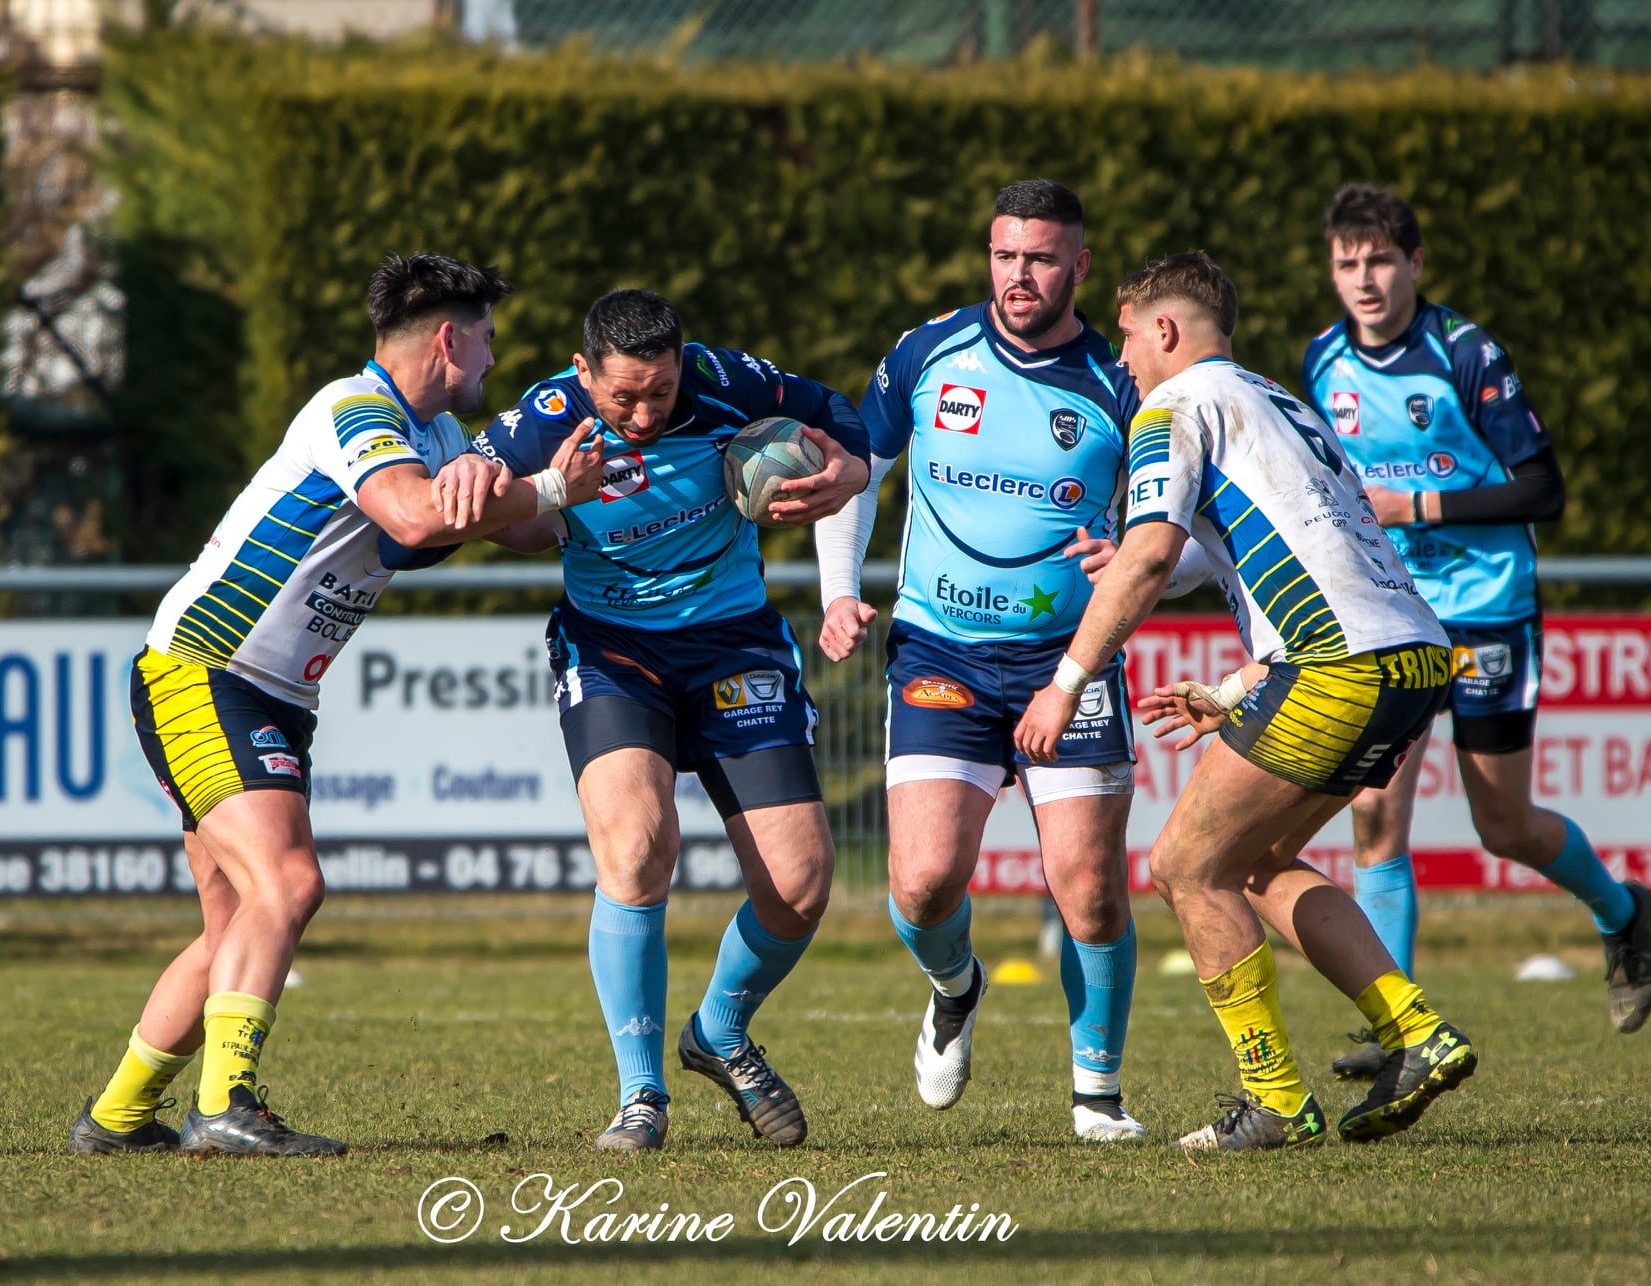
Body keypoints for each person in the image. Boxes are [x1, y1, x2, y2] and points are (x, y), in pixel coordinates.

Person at [67, 253, 604, 1156]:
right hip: (206, 668)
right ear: (450, 337)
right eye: (489, 342)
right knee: (290, 883)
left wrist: (616, 493)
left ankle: (118, 1117)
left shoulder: (436, 440)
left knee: (238, 922)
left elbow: (507, 520)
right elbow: (412, 517)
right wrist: (548, 487)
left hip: (268, 691)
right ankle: (224, 1106)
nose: (494, 364)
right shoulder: (352, 410)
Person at [1018, 251, 1477, 1151]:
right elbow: (1280, 541)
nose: (1122, 360)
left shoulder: (1173, 406)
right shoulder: (1280, 401)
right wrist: (1238, 681)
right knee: (1255, 864)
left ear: (1165, 330)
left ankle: (1275, 1100)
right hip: (1411, 655)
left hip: (1334, 663)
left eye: (1126, 337)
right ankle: (1417, 1033)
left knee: (1187, 866)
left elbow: (1153, 557)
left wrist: (1065, 684)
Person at [462, 288, 870, 1152]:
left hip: (733, 643)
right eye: (623, 398)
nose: (644, 413)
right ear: (582, 374)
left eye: (660, 390)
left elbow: (840, 414)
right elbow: (459, 508)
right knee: (639, 845)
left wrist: (850, 471)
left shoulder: (730, 384)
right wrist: (542, 500)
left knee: (799, 885)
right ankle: (640, 1096)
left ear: (684, 363)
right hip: (613, 651)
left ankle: (719, 1031)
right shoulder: (543, 420)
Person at [812, 179, 1145, 1141]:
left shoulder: (1120, 383)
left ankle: (1097, 1094)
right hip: (941, 651)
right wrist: (839, 591)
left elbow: (1192, 528)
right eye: (1005, 255)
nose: (1019, 276)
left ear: (1080, 267)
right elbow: (851, 473)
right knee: (921, 883)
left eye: (1040, 258)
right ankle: (956, 986)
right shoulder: (929, 352)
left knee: (1087, 885)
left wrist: (1135, 552)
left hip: (1066, 662)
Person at [1304, 185, 1651, 1077]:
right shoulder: (1320, 363)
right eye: (1348, 263)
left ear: (1416, 264)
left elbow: (1544, 490)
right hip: (1390, 612)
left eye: (1380, 260)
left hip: (1487, 604)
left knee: (1502, 823)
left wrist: (1415, 503)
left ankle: (1622, 913)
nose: (1365, 279)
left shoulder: (1466, 356)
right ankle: (1401, 1032)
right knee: (1376, 812)